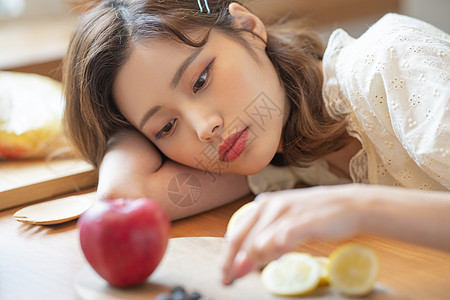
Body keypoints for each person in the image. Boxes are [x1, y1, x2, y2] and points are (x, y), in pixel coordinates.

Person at [62, 0, 450, 285]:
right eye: (166, 128)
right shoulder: (279, 151)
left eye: (200, 80)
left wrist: (357, 205)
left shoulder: (389, 62)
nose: (204, 128)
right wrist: (122, 124)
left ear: (248, 26)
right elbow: (125, 198)